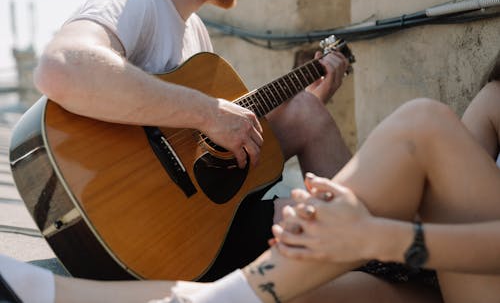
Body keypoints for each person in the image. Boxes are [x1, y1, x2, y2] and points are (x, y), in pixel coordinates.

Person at [2, 62, 499, 303]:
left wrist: (377, 236)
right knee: (295, 297)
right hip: (449, 272)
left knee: (422, 124)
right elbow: (448, 197)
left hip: (441, 258)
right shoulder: (495, 99)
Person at [33, 0, 351, 280]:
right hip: (153, 240)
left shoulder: (195, 31)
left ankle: (367, 246)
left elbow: (206, 143)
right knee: (327, 221)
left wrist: (298, 101)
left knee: (306, 110)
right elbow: (61, 66)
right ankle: (374, 259)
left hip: (198, 222)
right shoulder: (134, 0)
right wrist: (208, 113)